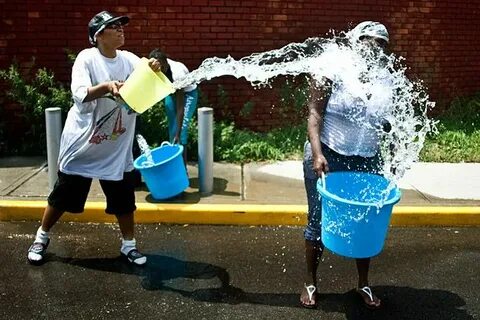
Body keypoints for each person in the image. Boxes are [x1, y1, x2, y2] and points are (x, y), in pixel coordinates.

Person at [27, 10, 162, 266]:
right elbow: (79, 94)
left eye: (122, 25)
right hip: (85, 143)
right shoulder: (87, 58)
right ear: (98, 35)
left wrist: (156, 64)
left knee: (124, 198)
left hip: (116, 144)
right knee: (63, 196)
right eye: (114, 26)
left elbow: (151, 69)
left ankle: (129, 246)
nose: (122, 29)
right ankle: (41, 237)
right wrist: (107, 87)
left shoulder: (128, 59)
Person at [299, 21, 392, 310]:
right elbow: (314, 113)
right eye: (369, 40)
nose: (374, 47)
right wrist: (317, 153)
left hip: (367, 158)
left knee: (365, 222)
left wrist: (395, 148)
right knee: (318, 220)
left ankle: (363, 282)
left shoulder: (386, 78)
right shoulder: (331, 69)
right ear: (356, 41)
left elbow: (389, 122)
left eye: (381, 43)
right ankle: (311, 282)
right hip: (328, 154)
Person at [148, 48, 198, 166]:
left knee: (181, 130)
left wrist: (178, 134)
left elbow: (180, 107)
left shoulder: (178, 74)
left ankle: (182, 168)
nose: (160, 71)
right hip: (171, 92)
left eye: (163, 68)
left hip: (187, 94)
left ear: (166, 62)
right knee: (172, 129)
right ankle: (175, 165)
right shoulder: (154, 65)